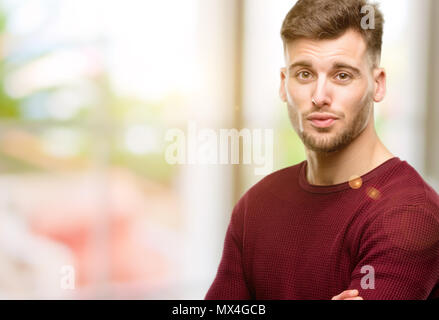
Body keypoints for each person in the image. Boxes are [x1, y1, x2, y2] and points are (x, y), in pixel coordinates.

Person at [205, 0, 439, 300]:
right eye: (304, 74)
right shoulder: (257, 204)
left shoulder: (411, 214)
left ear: (377, 84)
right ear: (283, 83)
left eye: (342, 75)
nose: (319, 96)